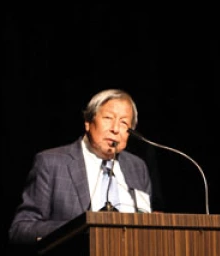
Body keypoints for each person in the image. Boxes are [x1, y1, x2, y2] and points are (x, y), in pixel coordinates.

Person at [8, 88, 153, 245]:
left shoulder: (137, 168)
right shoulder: (51, 163)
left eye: (124, 122)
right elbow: (21, 228)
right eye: (108, 118)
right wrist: (80, 228)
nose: (115, 129)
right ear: (88, 122)